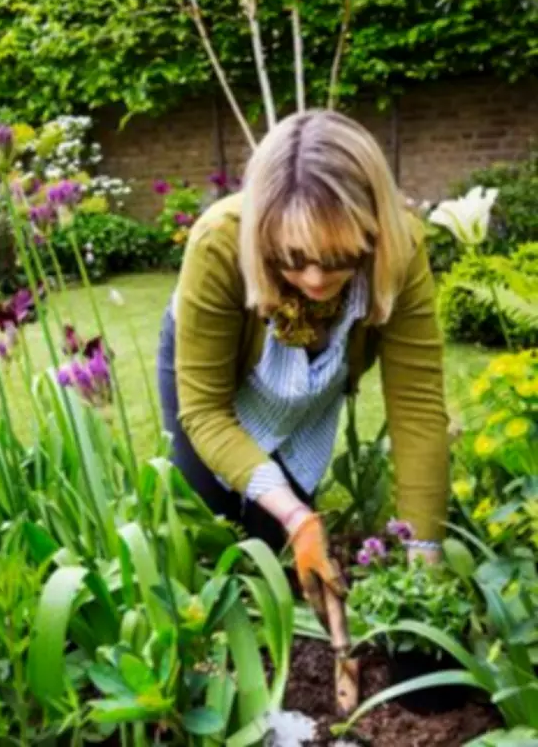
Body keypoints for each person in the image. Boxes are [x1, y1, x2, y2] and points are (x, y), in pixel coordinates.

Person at [157, 109, 449, 618]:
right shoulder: (220, 244)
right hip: (216, 377)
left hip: (313, 384)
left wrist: (424, 553)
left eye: (339, 258)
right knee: (209, 539)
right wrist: (297, 514)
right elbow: (203, 410)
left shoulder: (400, 251)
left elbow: (418, 410)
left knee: (273, 550)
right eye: (293, 257)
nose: (315, 279)